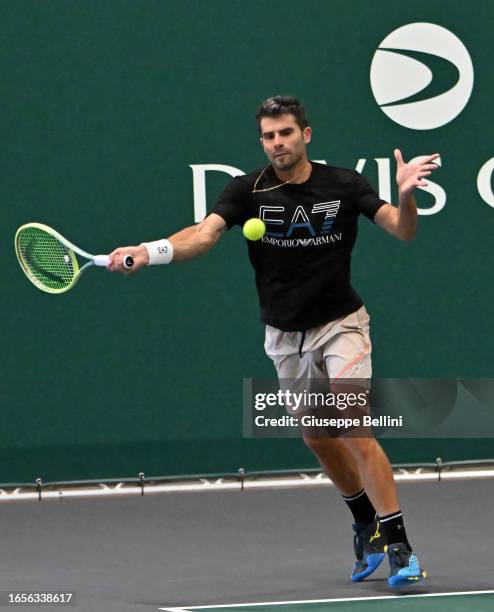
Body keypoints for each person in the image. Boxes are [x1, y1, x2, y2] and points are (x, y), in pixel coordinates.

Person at [109, 95, 439, 588]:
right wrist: (148, 252)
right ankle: (365, 523)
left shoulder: (345, 184)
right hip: (285, 335)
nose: (277, 143)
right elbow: (202, 235)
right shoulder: (246, 191)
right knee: (316, 436)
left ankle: (400, 547)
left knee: (353, 427)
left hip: (341, 324)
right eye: (268, 136)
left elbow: (402, 230)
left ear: (307, 133)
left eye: (285, 132)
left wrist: (407, 196)